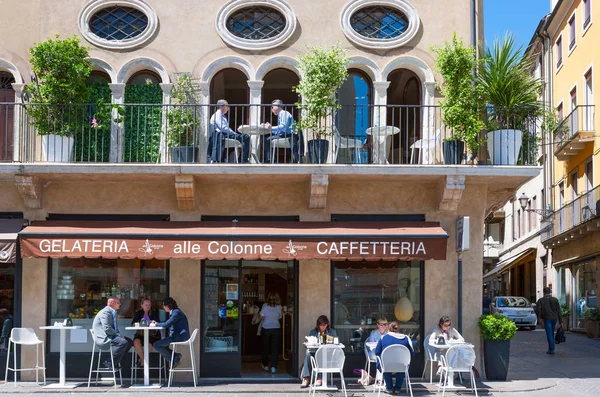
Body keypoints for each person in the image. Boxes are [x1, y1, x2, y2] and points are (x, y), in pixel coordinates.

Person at [92, 296, 133, 370]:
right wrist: (118, 335)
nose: (119, 304)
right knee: (123, 342)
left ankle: (116, 361)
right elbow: (107, 328)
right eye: (118, 303)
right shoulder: (106, 311)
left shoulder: (111, 312)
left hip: (110, 335)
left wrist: (119, 335)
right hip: (104, 337)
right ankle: (109, 361)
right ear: (112, 303)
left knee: (129, 342)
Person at [375, 321, 414, 394]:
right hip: (401, 366)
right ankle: (397, 388)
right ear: (398, 329)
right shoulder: (406, 338)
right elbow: (411, 353)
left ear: (388, 330)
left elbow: (377, 352)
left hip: (387, 365)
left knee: (383, 362)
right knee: (403, 363)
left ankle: (389, 388)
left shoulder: (383, 338)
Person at [151, 297, 190, 368]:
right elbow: (167, 323)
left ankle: (173, 358)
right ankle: (175, 357)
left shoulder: (176, 313)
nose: (163, 307)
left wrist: (155, 324)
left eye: (163, 306)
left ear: (167, 306)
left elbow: (166, 324)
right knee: (163, 345)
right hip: (176, 336)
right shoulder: (175, 312)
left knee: (157, 345)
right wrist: (157, 323)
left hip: (180, 337)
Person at [300, 315, 338, 388]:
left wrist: (328, 338)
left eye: (324, 325)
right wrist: (310, 342)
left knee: (319, 355)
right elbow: (309, 341)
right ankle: (306, 378)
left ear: (327, 324)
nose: (323, 327)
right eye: (321, 325)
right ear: (318, 325)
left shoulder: (332, 332)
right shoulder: (313, 331)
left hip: (328, 353)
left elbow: (336, 341)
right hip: (315, 351)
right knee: (308, 354)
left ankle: (319, 378)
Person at [131, 298, 160, 366]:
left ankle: (141, 360)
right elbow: (133, 324)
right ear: (142, 305)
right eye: (146, 305)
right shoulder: (138, 313)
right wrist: (138, 324)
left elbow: (158, 322)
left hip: (152, 335)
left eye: (149, 305)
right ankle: (143, 360)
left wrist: (153, 323)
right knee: (136, 342)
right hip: (140, 334)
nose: (148, 306)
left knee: (149, 344)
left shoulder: (154, 312)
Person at [260, 292, 282, 373]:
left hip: (266, 328)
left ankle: (265, 365)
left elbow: (261, 316)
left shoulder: (265, 306)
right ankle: (273, 367)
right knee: (274, 349)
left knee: (265, 348)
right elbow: (279, 317)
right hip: (276, 328)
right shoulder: (279, 307)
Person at [535, 287, 562, 354]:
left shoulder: (541, 300)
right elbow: (558, 310)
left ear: (544, 292)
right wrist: (560, 321)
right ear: (550, 292)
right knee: (552, 332)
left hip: (547, 318)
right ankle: (550, 348)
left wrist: (540, 317)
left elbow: (538, 310)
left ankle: (552, 349)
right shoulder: (555, 300)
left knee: (549, 333)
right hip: (554, 318)